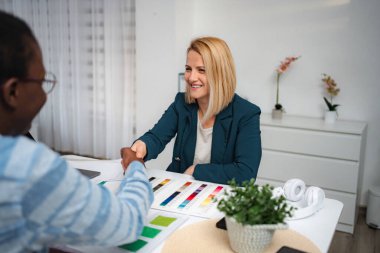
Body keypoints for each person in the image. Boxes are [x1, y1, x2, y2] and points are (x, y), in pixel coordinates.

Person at [0, 10, 153, 253]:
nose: (43, 96)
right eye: (41, 83)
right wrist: (135, 166)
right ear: (12, 92)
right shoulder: (25, 166)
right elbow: (127, 222)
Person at [121, 36, 262, 185]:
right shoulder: (181, 103)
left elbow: (245, 173)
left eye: (202, 70)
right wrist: (143, 145)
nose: (191, 77)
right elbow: (156, 137)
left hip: (219, 195)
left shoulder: (247, 114)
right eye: (188, 69)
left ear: (220, 73)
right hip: (181, 189)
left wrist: (196, 170)